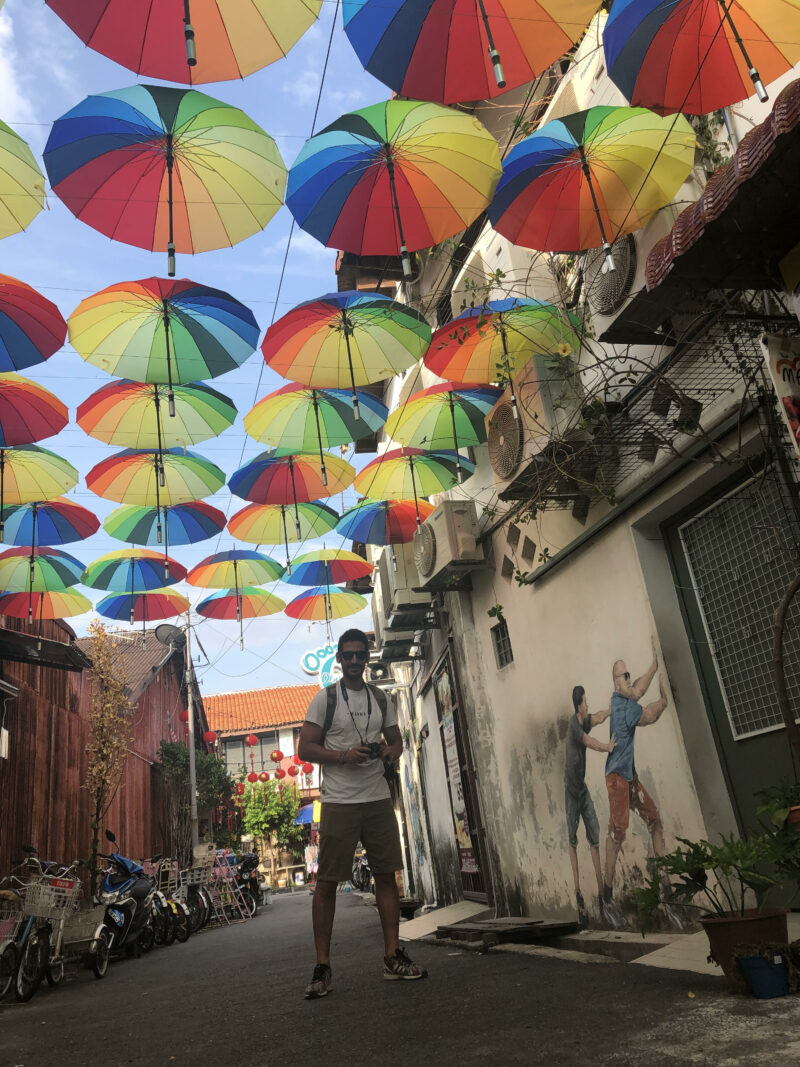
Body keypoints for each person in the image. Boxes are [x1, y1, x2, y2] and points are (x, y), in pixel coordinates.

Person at [297, 628, 427, 998]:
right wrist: (342, 756)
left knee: (387, 877)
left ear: (367, 658)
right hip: (338, 800)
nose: (354, 661)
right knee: (326, 885)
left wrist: (389, 752)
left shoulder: (380, 697)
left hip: (377, 798)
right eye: (348, 655)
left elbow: (397, 739)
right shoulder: (325, 699)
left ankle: (391, 957)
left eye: (360, 655)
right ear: (339, 659)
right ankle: (322, 966)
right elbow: (305, 748)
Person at [601, 652, 668, 927]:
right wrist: (663, 695)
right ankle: (606, 898)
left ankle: (666, 887)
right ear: (616, 683)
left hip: (629, 777)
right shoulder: (621, 706)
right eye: (623, 675)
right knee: (617, 835)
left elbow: (638, 686)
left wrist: (650, 671)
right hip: (617, 779)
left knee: (655, 821)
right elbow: (648, 711)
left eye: (629, 674)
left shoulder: (624, 698)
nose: (628, 679)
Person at [564, 686, 615, 921]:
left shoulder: (584, 719)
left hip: (582, 790)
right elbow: (591, 742)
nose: (588, 705)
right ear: (578, 705)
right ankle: (577, 892)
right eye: (585, 702)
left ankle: (603, 897)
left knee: (594, 837)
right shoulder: (575, 726)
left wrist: (611, 710)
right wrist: (607, 747)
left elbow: (599, 717)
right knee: (572, 839)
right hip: (571, 792)